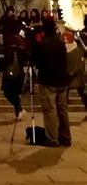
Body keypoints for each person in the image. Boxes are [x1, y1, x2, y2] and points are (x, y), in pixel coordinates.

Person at [33, 17, 71, 147]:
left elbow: (36, 62)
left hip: (48, 80)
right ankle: (65, 136)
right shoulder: (60, 43)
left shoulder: (43, 44)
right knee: (62, 109)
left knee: (50, 110)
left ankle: (52, 138)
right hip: (62, 80)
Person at [1, 34, 27, 120]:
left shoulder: (9, 49)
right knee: (15, 93)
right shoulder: (23, 50)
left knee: (8, 93)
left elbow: (6, 62)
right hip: (19, 74)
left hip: (9, 74)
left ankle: (19, 109)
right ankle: (18, 112)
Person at [63, 29, 87, 110]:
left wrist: (72, 72)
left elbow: (79, 64)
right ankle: (63, 111)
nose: (64, 40)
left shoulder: (76, 50)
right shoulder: (64, 49)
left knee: (82, 93)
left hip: (76, 76)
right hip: (68, 75)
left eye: (66, 38)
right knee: (65, 93)